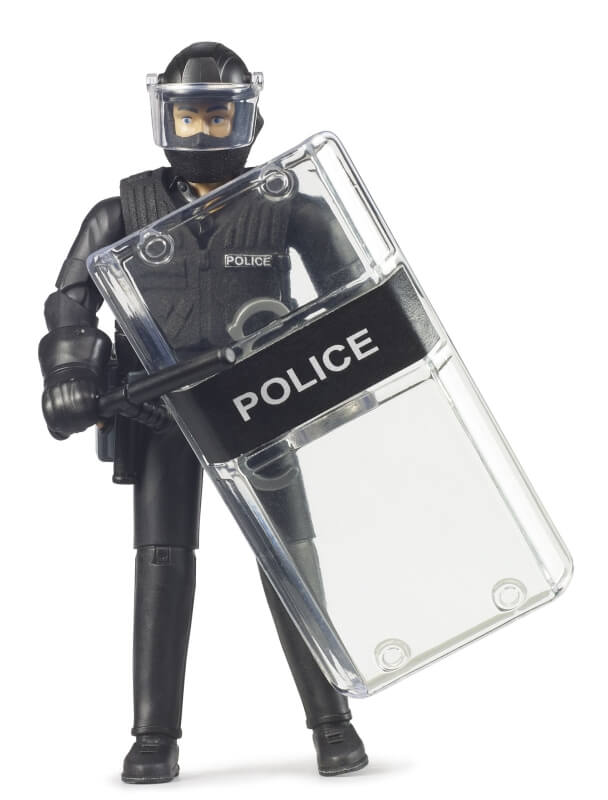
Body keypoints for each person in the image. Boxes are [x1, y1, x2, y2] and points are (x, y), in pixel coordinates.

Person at [38, 42, 368, 783]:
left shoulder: (288, 205)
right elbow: (69, 303)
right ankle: (154, 735)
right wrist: (70, 372)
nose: (203, 131)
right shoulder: (119, 212)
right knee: (162, 561)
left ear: (247, 119)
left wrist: (335, 369)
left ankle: (332, 719)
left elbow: (356, 294)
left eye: (217, 117)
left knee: (290, 561)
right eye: (188, 117)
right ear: (165, 117)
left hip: (262, 405)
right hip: (160, 411)